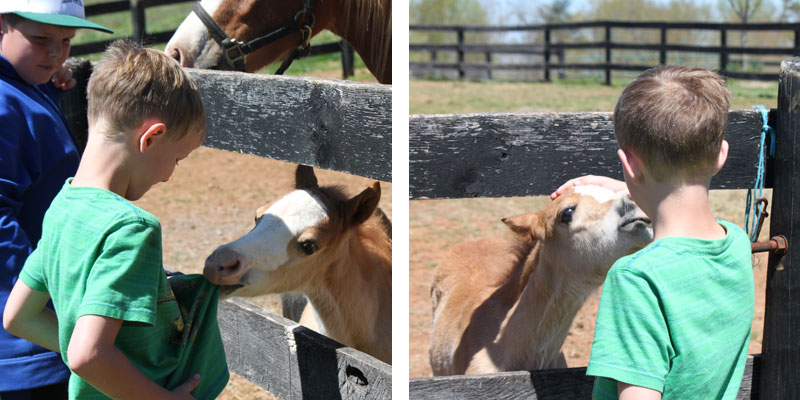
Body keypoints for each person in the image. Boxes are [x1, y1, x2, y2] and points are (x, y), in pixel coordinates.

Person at [3, 39, 229, 399]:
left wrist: (115, 364)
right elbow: (87, 355)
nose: (169, 175)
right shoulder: (131, 229)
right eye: (178, 158)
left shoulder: (62, 204)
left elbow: (18, 317)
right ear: (151, 138)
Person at [552, 66, 755, 400]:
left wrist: (635, 185)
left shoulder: (638, 280)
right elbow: (681, 210)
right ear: (721, 155)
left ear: (630, 165)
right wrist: (629, 187)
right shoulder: (735, 245)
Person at [0, 2, 112, 398]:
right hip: (25, 340)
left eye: (66, 41)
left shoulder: (22, 87)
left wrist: (46, 79)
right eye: (41, 38)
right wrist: (45, 292)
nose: (56, 53)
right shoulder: (4, 104)